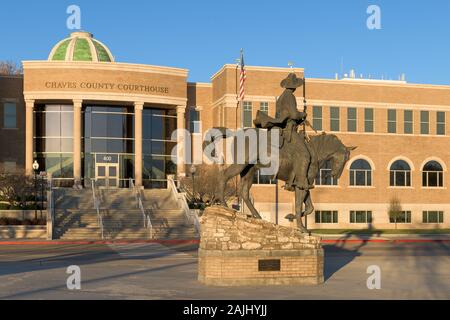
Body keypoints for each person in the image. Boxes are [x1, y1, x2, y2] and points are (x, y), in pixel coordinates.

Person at [254, 72, 312, 191]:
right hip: (288, 130)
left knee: (294, 156)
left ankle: (290, 180)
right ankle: (301, 181)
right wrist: (303, 114)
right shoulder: (290, 96)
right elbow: (294, 114)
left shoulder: (281, 96)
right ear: (294, 86)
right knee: (305, 154)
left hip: (283, 128)